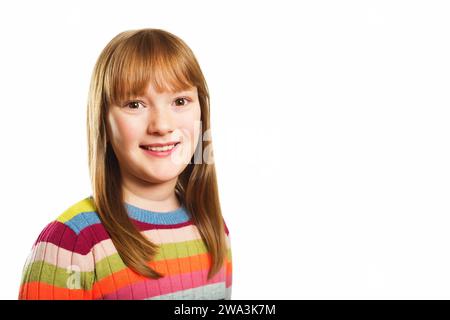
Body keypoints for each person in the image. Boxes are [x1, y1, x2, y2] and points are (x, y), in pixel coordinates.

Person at [18, 28, 232, 300]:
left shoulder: (214, 231)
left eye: (180, 101)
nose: (162, 126)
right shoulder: (73, 245)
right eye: (135, 104)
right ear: (103, 121)